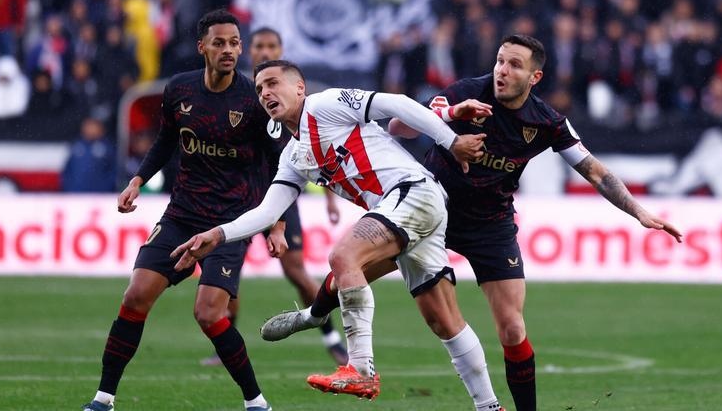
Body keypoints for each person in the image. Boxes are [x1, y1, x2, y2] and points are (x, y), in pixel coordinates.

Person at [262, 35, 684, 411]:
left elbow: (595, 171)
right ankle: (314, 317)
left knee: (513, 327)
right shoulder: (468, 91)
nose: (502, 70)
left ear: (534, 77)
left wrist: (640, 213)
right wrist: (449, 114)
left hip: (490, 223)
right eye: (500, 60)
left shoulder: (546, 121)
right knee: (349, 269)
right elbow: (398, 125)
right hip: (428, 205)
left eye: (514, 65)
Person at [171, 59, 506, 410]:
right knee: (443, 321)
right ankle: (489, 406)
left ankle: (360, 368)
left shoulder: (325, 104)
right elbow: (268, 213)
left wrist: (450, 140)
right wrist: (217, 235)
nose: (266, 92)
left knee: (344, 256)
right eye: (259, 89)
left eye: (273, 83)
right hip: (413, 210)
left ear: (299, 87)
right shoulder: (292, 156)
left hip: (412, 191)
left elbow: (398, 104)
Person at [81, 10, 282, 411]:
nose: (228, 50)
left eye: (234, 43)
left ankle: (256, 403)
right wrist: (137, 179)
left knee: (209, 313)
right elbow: (165, 142)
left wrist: (276, 225)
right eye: (220, 42)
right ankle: (103, 399)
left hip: (231, 223)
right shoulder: (179, 90)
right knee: (136, 295)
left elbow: (277, 168)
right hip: (182, 215)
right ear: (202, 47)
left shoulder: (253, 100)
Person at [200, 27, 348, 367]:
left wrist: (326, 200)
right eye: (260, 46)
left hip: (280, 195)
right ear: (249, 51)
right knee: (227, 274)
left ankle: (332, 338)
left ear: (281, 50)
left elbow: (312, 149)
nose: (265, 51)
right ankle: (225, 344)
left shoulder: (289, 99)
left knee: (296, 270)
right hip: (239, 198)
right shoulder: (239, 95)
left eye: (272, 46)